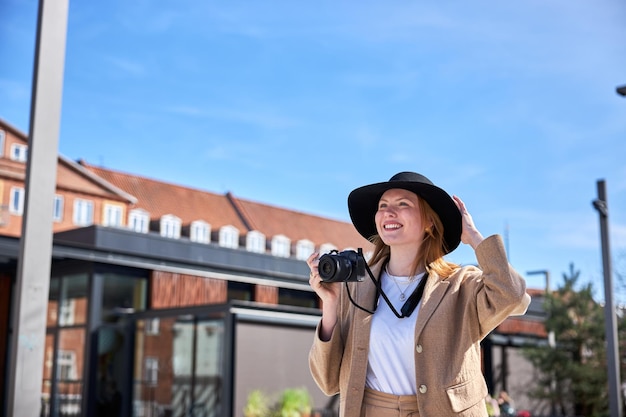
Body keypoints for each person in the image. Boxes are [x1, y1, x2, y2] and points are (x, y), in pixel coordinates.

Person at [307, 172, 531, 417]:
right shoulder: (356, 288)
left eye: (403, 204)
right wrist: (330, 305)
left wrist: (472, 237)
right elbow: (327, 381)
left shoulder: (461, 285)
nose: (389, 212)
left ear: (429, 221)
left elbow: (514, 295)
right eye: (383, 206)